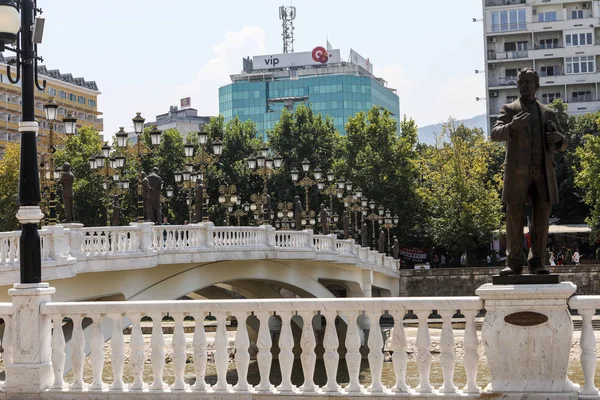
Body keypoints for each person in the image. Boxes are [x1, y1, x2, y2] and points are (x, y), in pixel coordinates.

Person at [492, 68, 568, 276]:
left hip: (543, 172)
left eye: (529, 82)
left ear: (537, 85)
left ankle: (537, 261)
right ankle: (514, 262)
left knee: (541, 218)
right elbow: (495, 134)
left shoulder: (548, 112)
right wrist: (512, 127)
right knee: (514, 216)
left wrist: (559, 140)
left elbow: (564, 142)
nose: (525, 85)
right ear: (517, 85)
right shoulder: (509, 109)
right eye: (521, 82)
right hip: (517, 172)